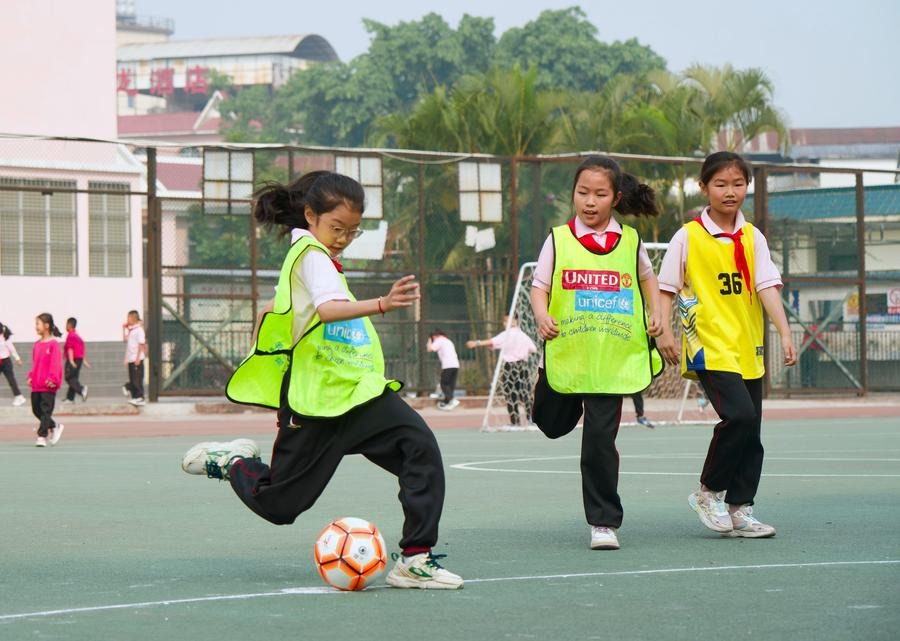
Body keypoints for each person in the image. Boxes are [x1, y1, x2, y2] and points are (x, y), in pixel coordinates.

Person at [181, 171, 462, 590]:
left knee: (420, 450)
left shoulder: (320, 260)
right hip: (314, 401)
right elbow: (329, 310)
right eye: (337, 228)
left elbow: (284, 311)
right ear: (311, 215)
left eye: (353, 231)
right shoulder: (310, 254)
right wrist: (383, 303)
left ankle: (415, 559)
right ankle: (233, 461)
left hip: (356, 392)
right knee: (280, 505)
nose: (343, 238)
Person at [656, 151, 797, 539]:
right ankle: (708, 492)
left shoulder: (753, 237)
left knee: (752, 432)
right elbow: (666, 289)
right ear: (704, 187)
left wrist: (784, 332)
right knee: (739, 416)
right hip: (708, 346)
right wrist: (663, 331)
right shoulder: (688, 236)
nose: (730, 191)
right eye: (720, 184)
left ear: (747, 187)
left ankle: (740, 509)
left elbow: (766, 287)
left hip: (747, 346)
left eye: (737, 184)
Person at [529, 155, 664, 551]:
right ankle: (564, 399)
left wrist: (656, 313)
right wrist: (542, 316)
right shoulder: (559, 239)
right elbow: (539, 287)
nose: (590, 201)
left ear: (616, 198)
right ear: (573, 194)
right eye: (583, 192)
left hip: (610, 360)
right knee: (550, 423)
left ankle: (603, 522)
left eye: (600, 194)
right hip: (569, 354)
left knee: (599, 440)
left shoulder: (630, 242)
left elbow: (648, 278)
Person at [466, 315, 537, 426]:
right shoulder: (524, 335)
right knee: (525, 394)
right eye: (504, 321)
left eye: (507, 320)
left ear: (514, 321)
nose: (505, 323)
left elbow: (492, 342)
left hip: (510, 367)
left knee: (511, 395)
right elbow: (533, 349)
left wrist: (476, 343)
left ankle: (515, 422)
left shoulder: (506, 334)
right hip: (523, 367)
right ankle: (531, 419)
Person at [27, 313, 64, 447]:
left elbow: (55, 364)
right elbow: (35, 363)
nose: (36, 326)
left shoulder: (54, 345)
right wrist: (31, 376)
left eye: (38, 324)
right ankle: (54, 426)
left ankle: (41, 436)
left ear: (47, 326)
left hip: (48, 385)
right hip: (37, 384)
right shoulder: (36, 345)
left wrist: (53, 379)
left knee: (45, 411)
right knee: (36, 410)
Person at [426, 330, 460, 410]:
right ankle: (447, 402)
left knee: (444, 384)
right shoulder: (448, 341)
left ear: (434, 336)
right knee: (450, 385)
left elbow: (429, 349)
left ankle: (452, 400)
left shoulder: (439, 340)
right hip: (455, 365)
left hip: (448, 365)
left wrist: (429, 340)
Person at [62, 317, 89, 404]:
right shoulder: (78, 337)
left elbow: (70, 349)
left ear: (69, 325)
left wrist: (71, 361)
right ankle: (70, 398)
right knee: (74, 378)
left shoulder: (70, 336)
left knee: (69, 377)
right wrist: (84, 361)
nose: (66, 326)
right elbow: (81, 350)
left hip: (73, 359)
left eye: (66, 324)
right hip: (79, 360)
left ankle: (82, 390)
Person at [122, 310, 146, 406]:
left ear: (133, 318)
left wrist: (138, 358)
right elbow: (125, 340)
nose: (127, 320)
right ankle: (135, 397)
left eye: (128, 318)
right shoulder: (132, 330)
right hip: (131, 359)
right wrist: (124, 329)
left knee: (137, 379)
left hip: (137, 359)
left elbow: (141, 344)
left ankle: (140, 397)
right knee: (132, 379)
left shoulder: (139, 330)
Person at [0, 322, 26, 406]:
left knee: (11, 379)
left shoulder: (5, 338)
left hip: (6, 362)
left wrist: (17, 359)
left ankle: (19, 397)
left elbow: (12, 349)